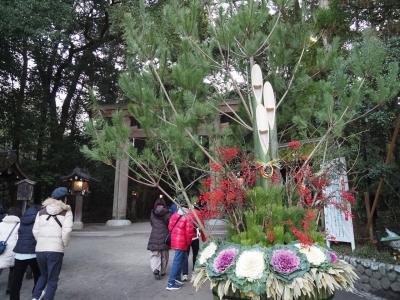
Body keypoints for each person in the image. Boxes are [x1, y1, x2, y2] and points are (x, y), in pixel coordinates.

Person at [31, 187, 73, 300]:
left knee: (43, 275)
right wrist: (64, 243)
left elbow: (35, 230)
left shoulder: (41, 211)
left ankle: (35, 298)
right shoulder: (66, 211)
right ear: (64, 199)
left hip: (40, 249)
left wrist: (40, 242)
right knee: (52, 279)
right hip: (55, 250)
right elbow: (67, 230)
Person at [10, 204, 41, 300]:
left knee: (16, 281)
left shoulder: (21, 221)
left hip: (19, 254)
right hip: (33, 253)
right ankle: (36, 297)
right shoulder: (39, 221)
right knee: (38, 277)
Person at [166, 206, 194, 291]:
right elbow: (189, 232)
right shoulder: (187, 218)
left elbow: (170, 227)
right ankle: (171, 283)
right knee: (177, 262)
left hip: (175, 241)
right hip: (182, 242)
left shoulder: (174, 215)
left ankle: (177, 279)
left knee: (181, 259)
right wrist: (188, 243)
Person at [147, 196, 171, 280]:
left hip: (154, 235)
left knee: (155, 254)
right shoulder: (167, 212)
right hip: (164, 236)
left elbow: (152, 222)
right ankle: (163, 271)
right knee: (164, 255)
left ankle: (156, 269)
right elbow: (169, 223)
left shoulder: (153, 212)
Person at [182, 206, 207, 281]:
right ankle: (194, 271)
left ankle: (185, 274)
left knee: (185, 255)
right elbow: (202, 225)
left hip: (186, 237)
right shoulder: (197, 213)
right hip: (195, 237)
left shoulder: (183, 213)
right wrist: (203, 237)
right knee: (195, 254)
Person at [0, 207, 21, 295]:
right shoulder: (19, 225)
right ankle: (10, 288)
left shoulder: (1, 224)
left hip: (1, 249)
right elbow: (19, 238)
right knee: (13, 270)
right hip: (14, 250)